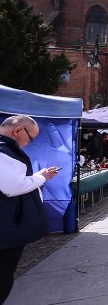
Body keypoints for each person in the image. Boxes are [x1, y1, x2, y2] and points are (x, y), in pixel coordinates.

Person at [0, 115, 59, 303]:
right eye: (31, 138)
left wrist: (36, 176)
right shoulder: (4, 150)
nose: (29, 143)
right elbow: (12, 187)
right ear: (18, 131)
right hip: (6, 229)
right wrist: (41, 178)